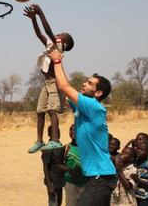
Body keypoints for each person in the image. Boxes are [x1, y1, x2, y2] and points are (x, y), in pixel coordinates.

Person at [48, 48, 116, 206]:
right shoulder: (83, 107)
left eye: (90, 83)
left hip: (101, 177)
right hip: (99, 177)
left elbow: (65, 87)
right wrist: (55, 61)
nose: (84, 83)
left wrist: (57, 61)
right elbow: (64, 89)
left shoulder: (93, 106)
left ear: (98, 93)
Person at [24, 4, 75, 153]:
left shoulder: (59, 48)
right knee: (40, 112)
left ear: (64, 43)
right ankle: (39, 141)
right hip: (46, 83)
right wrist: (33, 19)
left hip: (54, 83)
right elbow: (40, 34)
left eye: (61, 35)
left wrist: (40, 14)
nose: (58, 35)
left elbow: (47, 30)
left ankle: (55, 141)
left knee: (52, 111)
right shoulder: (51, 46)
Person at [58, 124, 86, 206]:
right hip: (70, 182)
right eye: (71, 130)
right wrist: (69, 170)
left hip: (85, 182)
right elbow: (58, 164)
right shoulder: (67, 148)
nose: (73, 132)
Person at [41, 125, 66, 206]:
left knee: (59, 203)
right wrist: (49, 185)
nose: (56, 133)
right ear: (49, 134)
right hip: (52, 181)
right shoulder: (48, 148)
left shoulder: (59, 145)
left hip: (59, 181)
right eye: (54, 132)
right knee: (53, 203)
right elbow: (45, 166)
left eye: (58, 131)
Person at [131, 141, 148, 206]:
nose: (138, 151)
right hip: (134, 195)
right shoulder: (135, 162)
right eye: (138, 148)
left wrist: (138, 180)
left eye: (141, 149)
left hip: (145, 197)